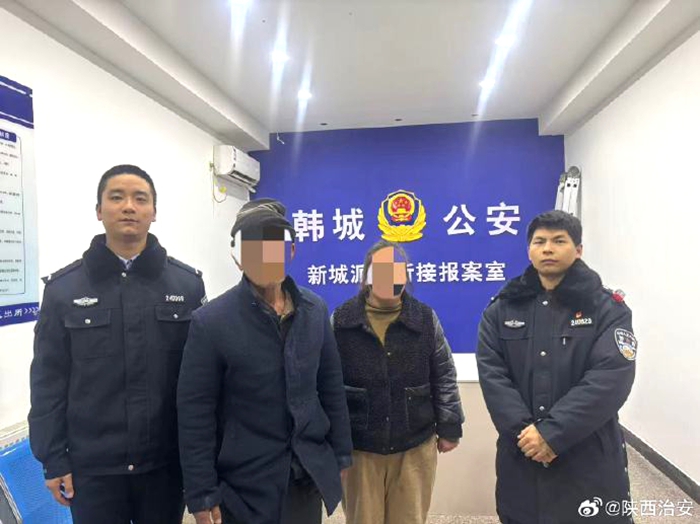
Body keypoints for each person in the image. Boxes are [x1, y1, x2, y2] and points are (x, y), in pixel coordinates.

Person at [29, 164, 206, 524]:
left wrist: (201, 463)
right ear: (98, 211)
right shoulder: (64, 290)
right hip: (93, 469)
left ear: (153, 212)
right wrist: (54, 459)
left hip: (164, 464)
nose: (128, 207)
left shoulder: (186, 286)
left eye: (140, 199)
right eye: (116, 197)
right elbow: (48, 381)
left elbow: (201, 382)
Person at [177, 198, 352, 524]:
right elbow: (195, 414)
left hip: (304, 476)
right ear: (237, 257)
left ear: (291, 251)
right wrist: (201, 492)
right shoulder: (211, 321)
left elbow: (331, 387)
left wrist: (341, 455)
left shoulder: (314, 311)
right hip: (243, 485)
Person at [477, 210, 637, 524]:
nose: (548, 249)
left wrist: (551, 434)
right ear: (529, 250)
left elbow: (610, 377)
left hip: (587, 449)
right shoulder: (502, 308)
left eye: (558, 241)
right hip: (522, 450)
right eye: (540, 242)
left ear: (578, 250)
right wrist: (528, 436)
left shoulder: (607, 309)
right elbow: (493, 375)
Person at [332, 240, 464, 524]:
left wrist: (450, 426)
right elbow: (327, 384)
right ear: (366, 276)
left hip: (414, 444)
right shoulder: (341, 320)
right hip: (360, 447)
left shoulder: (425, 318)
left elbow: (443, 373)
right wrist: (332, 441)